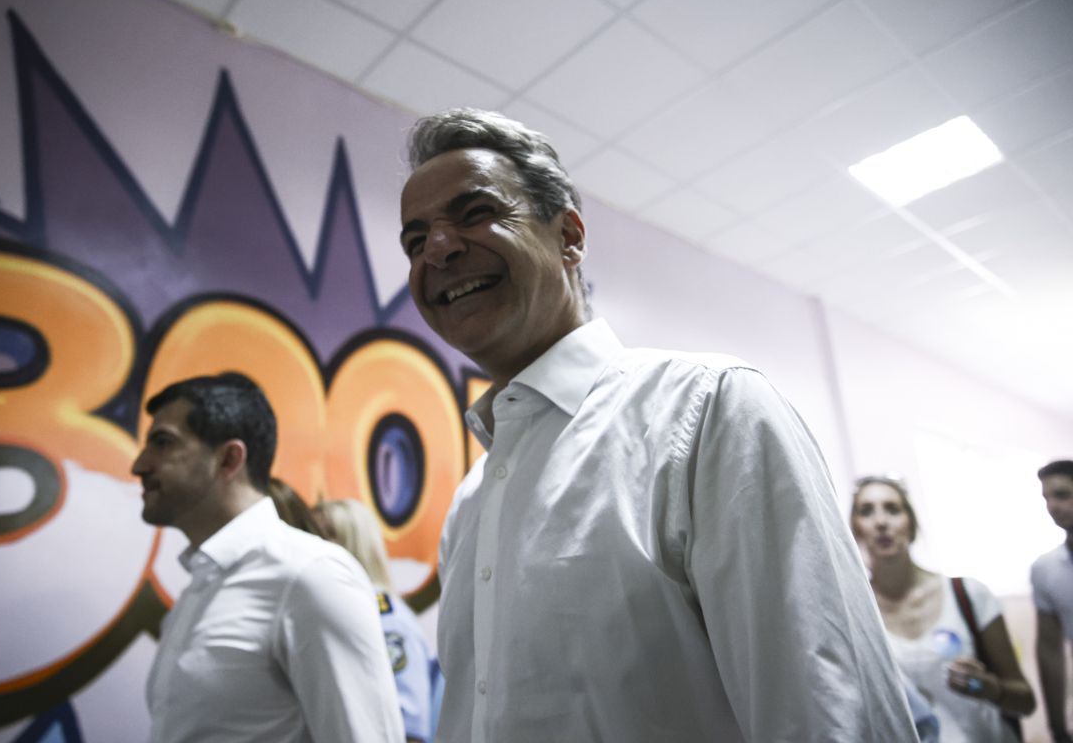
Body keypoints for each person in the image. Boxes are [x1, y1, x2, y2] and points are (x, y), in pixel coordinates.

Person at [398, 107, 918, 742]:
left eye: (476, 212)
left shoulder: (708, 412)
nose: (439, 249)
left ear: (569, 236)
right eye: (415, 241)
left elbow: (832, 714)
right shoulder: (471, 505)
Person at [131, 372, 403, 742]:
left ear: (229, 459)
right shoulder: (202, 585)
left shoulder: (310, 574)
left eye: (163, 443)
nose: (140, 465)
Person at [851, 475, 1035, 742]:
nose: (881, 522)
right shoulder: (856, 613)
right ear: (855, 529)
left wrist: (991, 689)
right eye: (866, 511)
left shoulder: (968, 594)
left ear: (912, 524)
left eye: (892, 509)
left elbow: (1026, 701)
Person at [316, 498, 441, 743]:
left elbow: (409, 726)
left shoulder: (386, 619)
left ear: (353, 543)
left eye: (324, 536)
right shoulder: (347, 611)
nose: (314, 546)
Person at [1031, 459, 1073, 743]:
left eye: (1062, 495)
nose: (1052, 507)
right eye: (1046, 498)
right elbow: (1049, 649)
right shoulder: (1045, 569)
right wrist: (1057, 726)